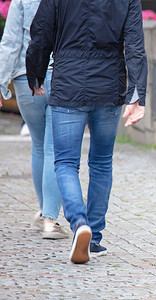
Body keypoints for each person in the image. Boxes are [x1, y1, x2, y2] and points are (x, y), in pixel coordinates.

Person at [26, 0, 147, 264]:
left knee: (66, 162)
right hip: (109, 85)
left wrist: (34, 73)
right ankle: (94, 238)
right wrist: (138, 95)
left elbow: (41, 32)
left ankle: (79, 222)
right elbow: (135, 44)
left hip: (68, 84)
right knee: (102, 162)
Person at [0, 0, 68, 239]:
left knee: (39, 146)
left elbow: (9, 43)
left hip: (24, 78)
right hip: (61, 76)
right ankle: (50, 219)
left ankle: (43, 213)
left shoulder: (21, 0)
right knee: (53, 149)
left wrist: (1, 83)